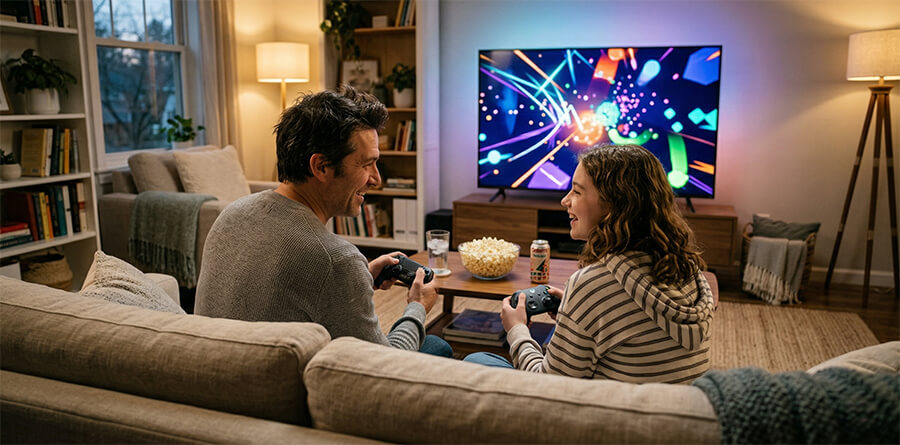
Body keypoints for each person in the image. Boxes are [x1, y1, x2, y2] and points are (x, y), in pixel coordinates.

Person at [194, 86, 451, 357]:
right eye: (366, 164)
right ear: (321, 167)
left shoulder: (232, 214)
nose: (376, 179)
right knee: (437, 346)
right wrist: (417, 307)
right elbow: (384, 365)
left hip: (218, 378)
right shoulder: (334, 260)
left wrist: (359, 279)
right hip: (282, 395)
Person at [465, 143, 715, 383]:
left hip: (609, 420)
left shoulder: (592, 286)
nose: (565, 201)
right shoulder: (690, 271)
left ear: (613, 203)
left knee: (477, 360)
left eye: (577, 191)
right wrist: (574, 309)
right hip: (674, 413)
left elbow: (550, 387)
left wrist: (517, 329)